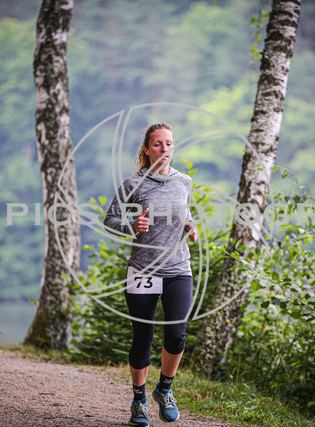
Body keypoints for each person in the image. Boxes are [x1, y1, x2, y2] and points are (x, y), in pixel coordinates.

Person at [104, 123, 198, 426]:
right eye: (157, 144)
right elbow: (110, 219)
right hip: (143, 270)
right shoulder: (134, 184)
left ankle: (164, 389)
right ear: (147, 149)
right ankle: (139, 400)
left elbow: (185, 211)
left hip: (178, 268)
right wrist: (132, 227)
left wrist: (190, 226)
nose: (164, 149)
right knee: (143, 338)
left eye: (168, 143)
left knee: (177, 334)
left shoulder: (184, 181)